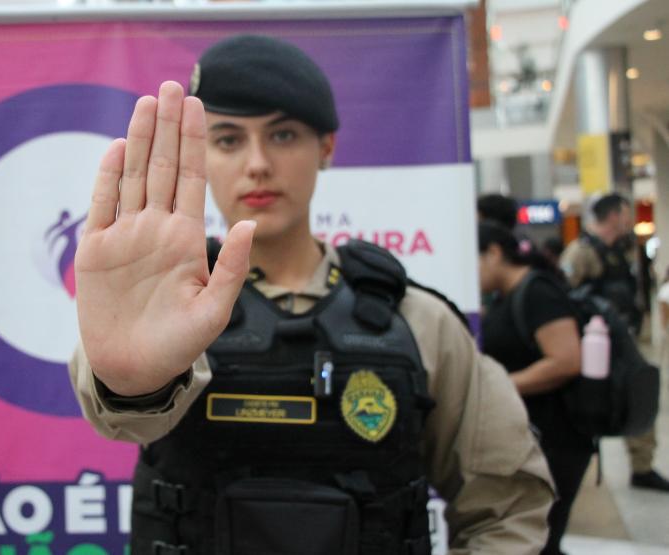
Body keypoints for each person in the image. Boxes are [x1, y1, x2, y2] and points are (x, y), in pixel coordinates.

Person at [70, 35, 554, 554]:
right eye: (228, 140)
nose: (258, 164)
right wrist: (134, 386)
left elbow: (508, 505)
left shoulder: (418, 322)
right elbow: (125, 418)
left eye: (283, 135)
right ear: (202, 154)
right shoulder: (163, 308)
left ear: (325, 148)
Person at [478, 222, 592, 555]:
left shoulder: (538, 292)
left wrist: (498, 387)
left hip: (556, 439)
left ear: (494, 253)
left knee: (541, 541)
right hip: (534, 437)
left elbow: (566, 361)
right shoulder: (506, 296)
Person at [561, 194, 669, 492]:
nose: (629, 219)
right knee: (591, 406)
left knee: (639, 395)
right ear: (612, 216)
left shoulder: (623, 250)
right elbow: (564, 296)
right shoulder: (581, 253)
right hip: (595, 346)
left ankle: (642, 466)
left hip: (625, 339)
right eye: (625, 213)